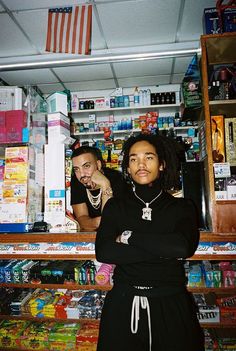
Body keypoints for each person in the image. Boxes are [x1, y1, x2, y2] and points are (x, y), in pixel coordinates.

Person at [95, 133, 204, 351]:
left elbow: (182, 247)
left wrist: (128, 237)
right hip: (123, 303)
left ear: (162, 164)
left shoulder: (181, 207)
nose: (141, 164)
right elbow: (104, 252)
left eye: (149, 157)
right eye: (133, 159)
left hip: (170, 304)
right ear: (127, 168)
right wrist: (163, 250)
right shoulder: (116, 206)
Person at [71, 145, 124, 231]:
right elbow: (81, 219)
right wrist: (98, 222)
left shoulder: (116, 178)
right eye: (76, 169)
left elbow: (111, 225)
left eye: (86, 166)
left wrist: (105, 184)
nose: (82, 174)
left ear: (98, 165)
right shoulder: (76, 181)